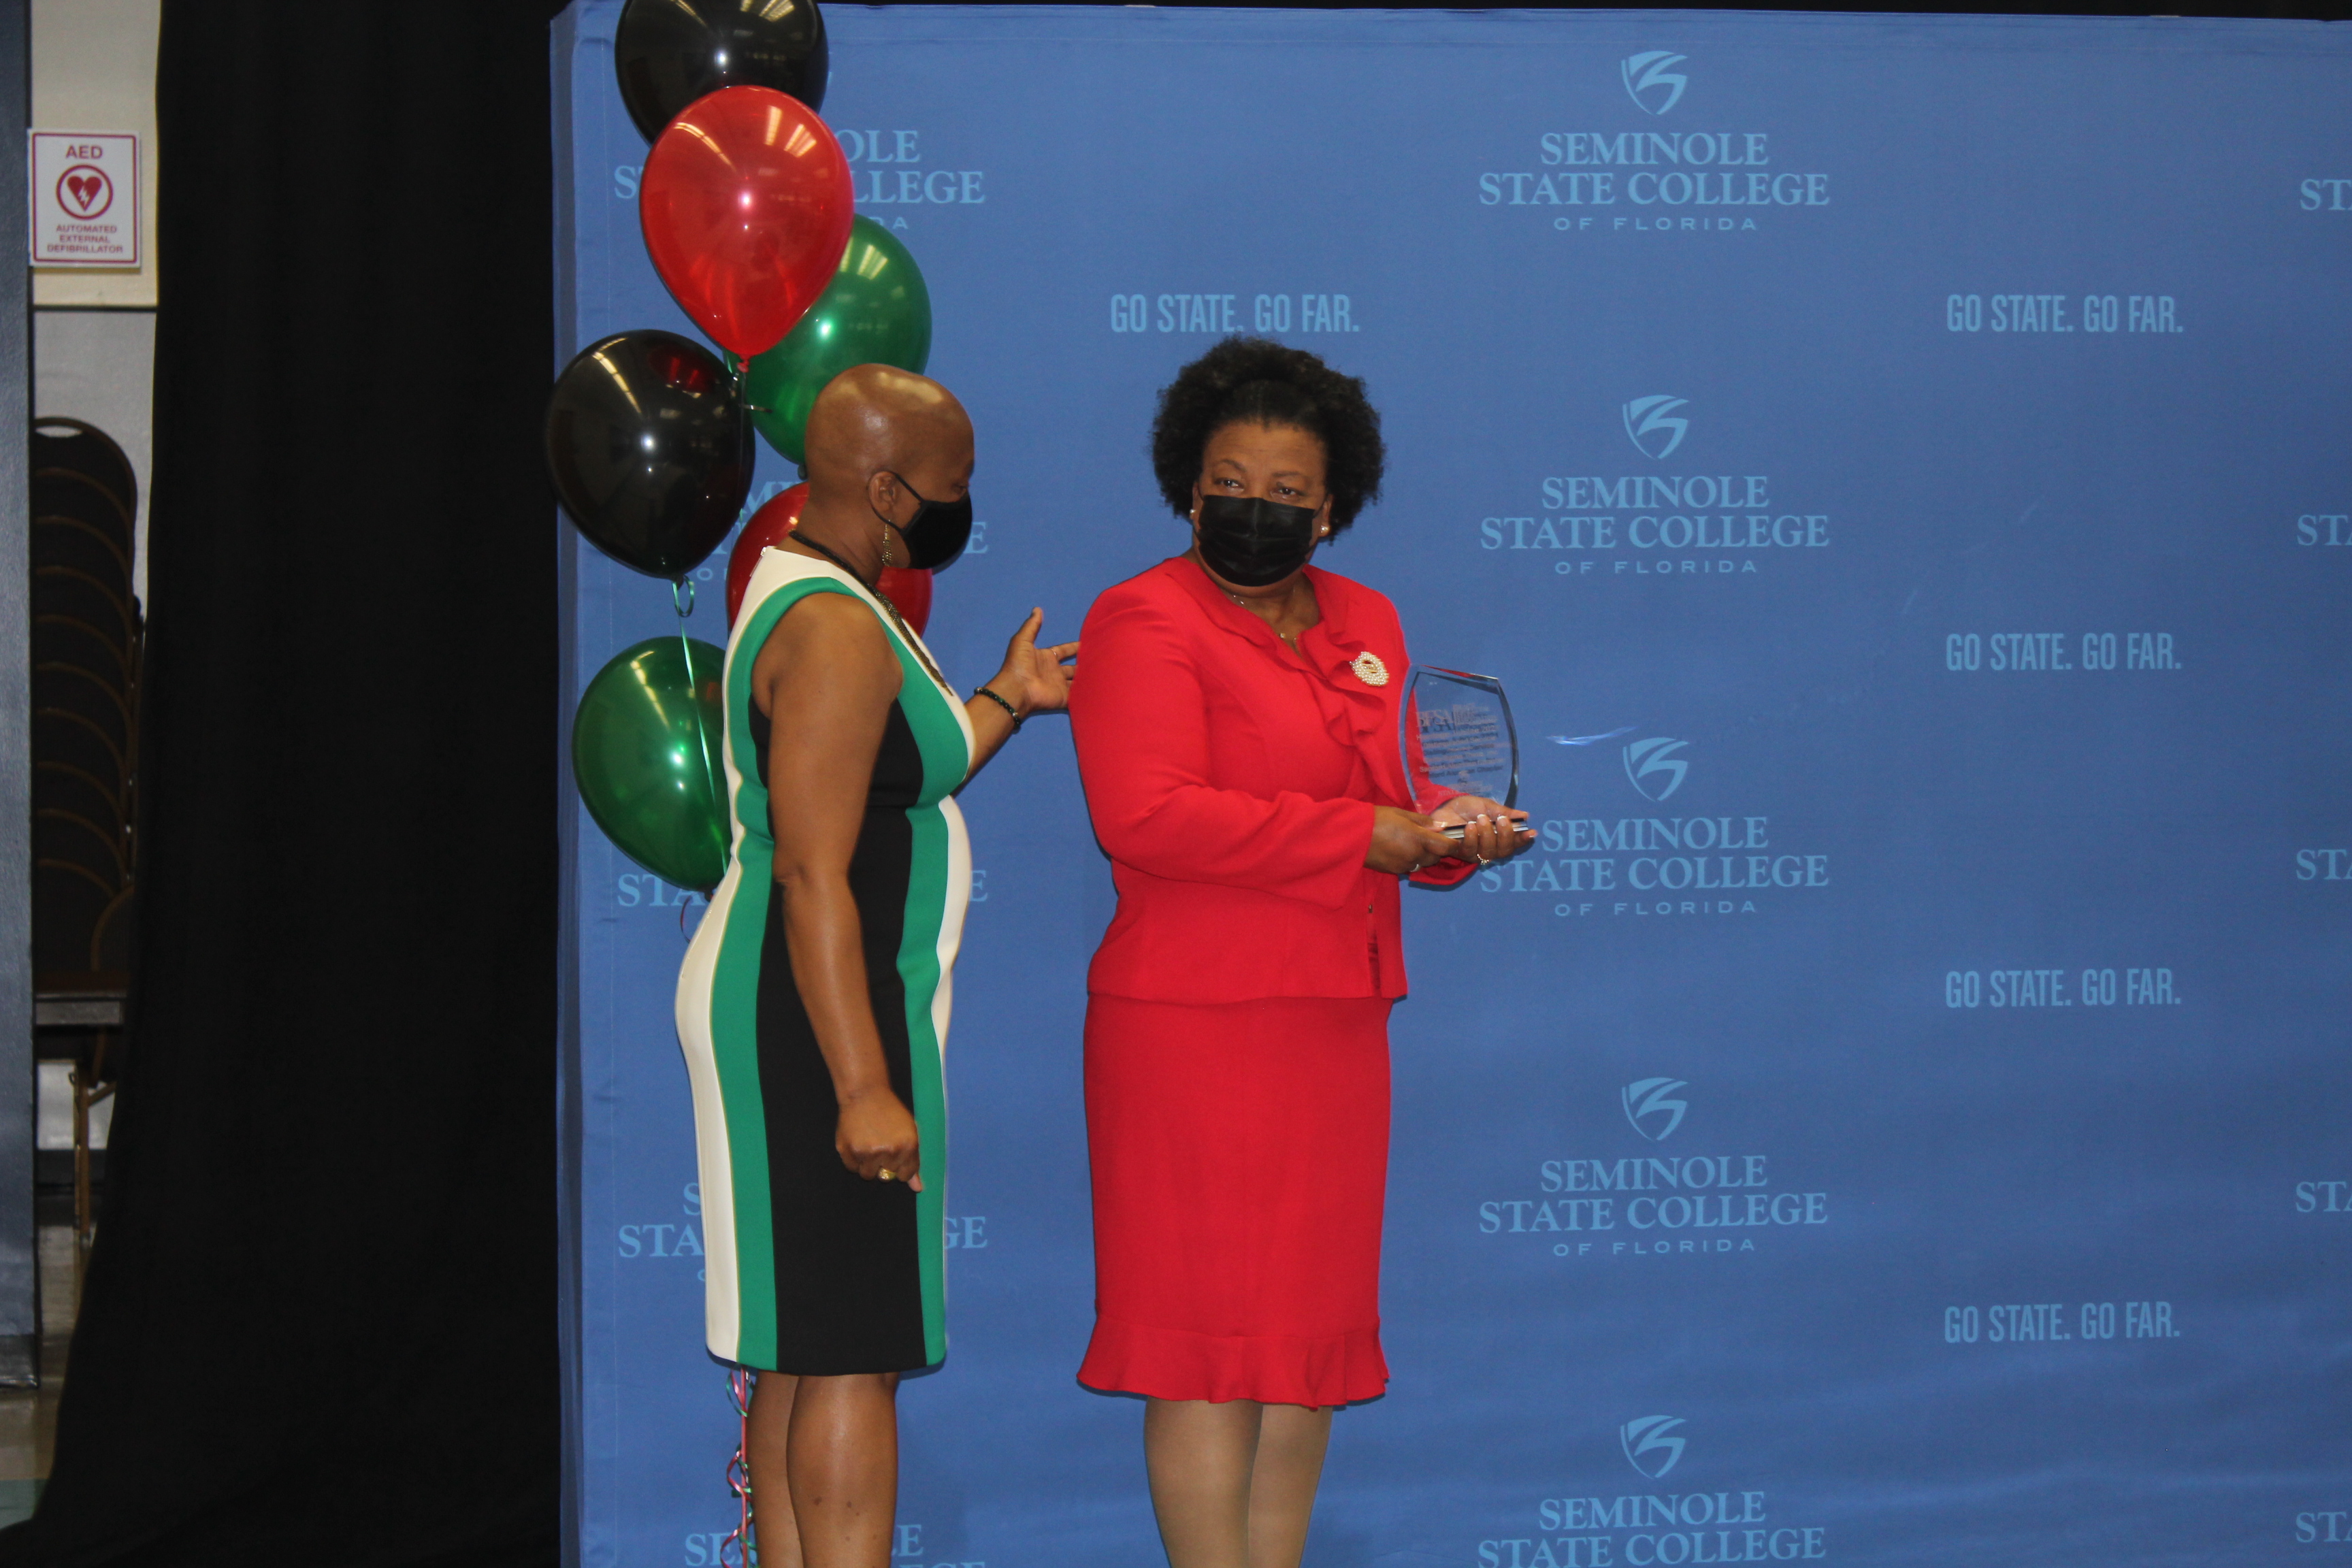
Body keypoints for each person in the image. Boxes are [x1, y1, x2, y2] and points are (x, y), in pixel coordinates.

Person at [1068, 338, 1535, 1568]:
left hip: (1332, 1024)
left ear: (1331, 509)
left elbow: (1399, 798)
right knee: (1209, 1356)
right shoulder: (1139, 617)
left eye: (1288, 493)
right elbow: (1148, 815)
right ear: (1188, 488)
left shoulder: (1368, 619)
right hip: (1191, 1029)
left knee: (1303, 1355)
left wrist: (1454, 832)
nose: (1255, 509)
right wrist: (1364, 834)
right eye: (1230, 483)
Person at [674, 365, 1075, 1568]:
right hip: (814, 1017)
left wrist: (1008, 697)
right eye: (954, 484)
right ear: (891, 491)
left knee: (805, 1344)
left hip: (823, 1003)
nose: (964, 504)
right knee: (852, 1347)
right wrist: (860, 1085)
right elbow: (813, 873)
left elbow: (905, 773)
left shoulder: (829, 587)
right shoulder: (839, 630)